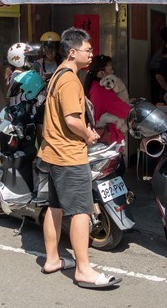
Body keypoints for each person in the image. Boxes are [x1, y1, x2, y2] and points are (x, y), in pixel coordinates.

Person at [38, 27, 121, 289]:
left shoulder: (56, 75)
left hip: (53, 152)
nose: (91, 54)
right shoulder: (71, 80)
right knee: (81, 211)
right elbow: (72, 119)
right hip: (68, 155)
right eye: (88, 50)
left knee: (55, 207)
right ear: (73, 52)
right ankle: (83, 269)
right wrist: (88, 134)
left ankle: (53, 259)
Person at [83, 54, 129, 144]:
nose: (113, 72)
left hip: (99, 134)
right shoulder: (102, 91)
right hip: (109, 138)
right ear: (101, 73)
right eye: (110, 69)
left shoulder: (93, 87)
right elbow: (124, 110)